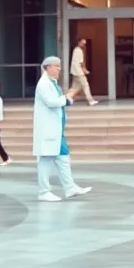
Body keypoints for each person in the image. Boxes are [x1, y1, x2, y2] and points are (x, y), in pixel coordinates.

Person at [34, 55, 92, 202]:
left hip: (56, 129)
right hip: (48, 129)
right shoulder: (44, 84)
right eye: (56, 66)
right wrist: (67, 99)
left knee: (63, 157)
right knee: (46, 159)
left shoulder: (52, 83)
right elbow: (51, 102)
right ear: (48, 67)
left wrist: (67, 98)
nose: (59, 68)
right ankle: (44, 191)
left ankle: (69, 187)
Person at [70, 38, 100, 105]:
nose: (83, 45)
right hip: (79, 72)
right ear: (79, 42)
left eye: (84, 44)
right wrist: (85, 70)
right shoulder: (79, 51)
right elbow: (81, 62)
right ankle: (90, 100)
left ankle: (68, 99)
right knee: (85, 85)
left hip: (75, 71)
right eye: (82, 43)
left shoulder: (75, 50)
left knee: (74, 87)